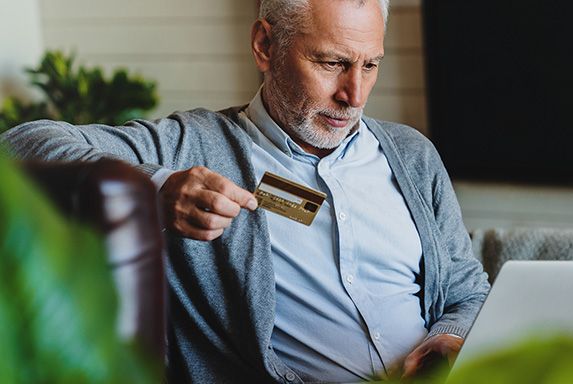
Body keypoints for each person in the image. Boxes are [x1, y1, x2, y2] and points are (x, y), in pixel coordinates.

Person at [1, 0, 490, 382]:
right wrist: (154, 189)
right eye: (331, 63)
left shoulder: (412, 154)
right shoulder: (192, 146)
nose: (354, 95)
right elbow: (18, 147)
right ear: (264, 46)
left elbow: (468, 293)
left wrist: (449, 338)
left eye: (370, 65)